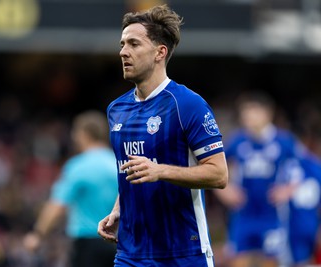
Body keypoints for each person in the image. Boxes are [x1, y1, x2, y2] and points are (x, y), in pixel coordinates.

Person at [97, 5, 228, 267]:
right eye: (122, 44)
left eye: (134, 44)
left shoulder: (187, 104)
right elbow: (131, 172)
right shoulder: (116, 110)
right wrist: (118, 208)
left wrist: (161, 171)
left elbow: (219, 175)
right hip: (130, 254)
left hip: (182, 254)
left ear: (160, 52)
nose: (123, 51)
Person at [214, 91, 305, 267]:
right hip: (243, 214)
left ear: (267, 113)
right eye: (245, 114)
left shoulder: (284, 141)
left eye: (252, 112)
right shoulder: (237, 141)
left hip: (271, 215)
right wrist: (225, 191)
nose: (248, 118)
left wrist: (287, 190)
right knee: (239, 261)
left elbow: (300, 170)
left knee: (270, 261)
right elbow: (215, 168)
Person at [23, 110, 118, 267]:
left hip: (87, 242)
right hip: (118, 243)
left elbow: (57, 205)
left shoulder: (78, 166)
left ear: (84, 134)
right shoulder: (117, 163)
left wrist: (38, 235)